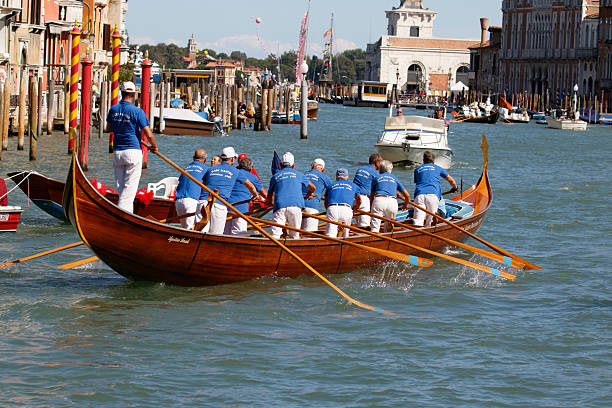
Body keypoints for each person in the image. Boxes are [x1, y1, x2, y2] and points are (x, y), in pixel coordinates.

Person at [105, 81, 158, 213]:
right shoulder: (137, 111)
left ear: (121, 93)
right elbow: (149, 134)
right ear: (134, 94)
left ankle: (123, 213)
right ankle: (124, 216)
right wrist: (154, 147)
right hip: (133, 151)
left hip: (118, 152)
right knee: (129, 189)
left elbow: (108, 128)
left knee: (121, 187)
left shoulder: (113, 109)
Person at [201, 147, 258, 234]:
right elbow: (251, 187)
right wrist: (255, 195)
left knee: (200, 231)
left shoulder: (210, 169)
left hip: (202, 202)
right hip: (219, 205)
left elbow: (203, 185)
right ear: (232, 159)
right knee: (216, 235)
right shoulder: (235, 171)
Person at [265, 152, 315, 239]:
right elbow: (313, 187)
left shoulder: (275, 176)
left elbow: (269, 196)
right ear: (293, 165)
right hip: (296, 206)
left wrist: (270, 203)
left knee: (275, 235)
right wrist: (309, 194)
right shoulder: (300, 175)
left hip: (280, 206)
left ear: (281, 165)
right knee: (295, 235)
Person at [413, 151, 457, 227]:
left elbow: (418, 182)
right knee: (430, 221)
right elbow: (451, 180)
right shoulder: (438, 168)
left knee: (418, 220)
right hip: (432, 196)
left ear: (423, 160)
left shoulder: (417, 169)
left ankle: (417, 233)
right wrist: (455, 188)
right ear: (433, 161)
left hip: (419, 195)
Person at [227, 157, 267, 235]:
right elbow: (264, 194)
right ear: (251, 168)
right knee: (239, 234)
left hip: (227, 207)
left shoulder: (232, 173)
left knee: (225, 234)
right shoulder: (253, 177)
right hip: (241, 210)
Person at [370, 160, 411, 233]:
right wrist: (405, 205)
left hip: (379, 200)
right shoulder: (394, 179)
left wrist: (371, 208)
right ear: (390, 169)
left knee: (375, 227)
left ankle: (374, 237)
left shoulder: (376, 178)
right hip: (392, 202)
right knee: (388, 228)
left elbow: (372, 195)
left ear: (380, 169)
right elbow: (407, 195)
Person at [174, 149, 208, 230]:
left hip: (178, 202)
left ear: (193, 158)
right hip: (191, 201)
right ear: (205, 160)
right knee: (190, 230)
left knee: (184, 229)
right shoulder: (205, 169)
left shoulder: (186, 168)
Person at [325, 168, 360, 238]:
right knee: (345, 235)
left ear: (336, 176)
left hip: (332, 208)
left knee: (330, 235)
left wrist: (329, 212)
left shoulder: (330, 186)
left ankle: (330, 245)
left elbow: (326, 202)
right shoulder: (353, 185)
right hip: (346, 209)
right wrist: (356, 208)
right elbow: (359, 200)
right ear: (347, 177)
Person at [353, 153, 382, 229]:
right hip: (364, 200)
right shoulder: (375, 173)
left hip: (353, 198)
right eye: (381, 162)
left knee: (357, 223)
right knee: (364, 227)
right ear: (376, 162)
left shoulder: (360, 169)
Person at [301, 158, 332, 232]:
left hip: (298, 207)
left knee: (297, 233)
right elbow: (331, 192)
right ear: (323, 169)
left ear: (312, 166)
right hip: (312, 208)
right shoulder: (324, 177)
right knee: (310, 235)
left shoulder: (303, 175)